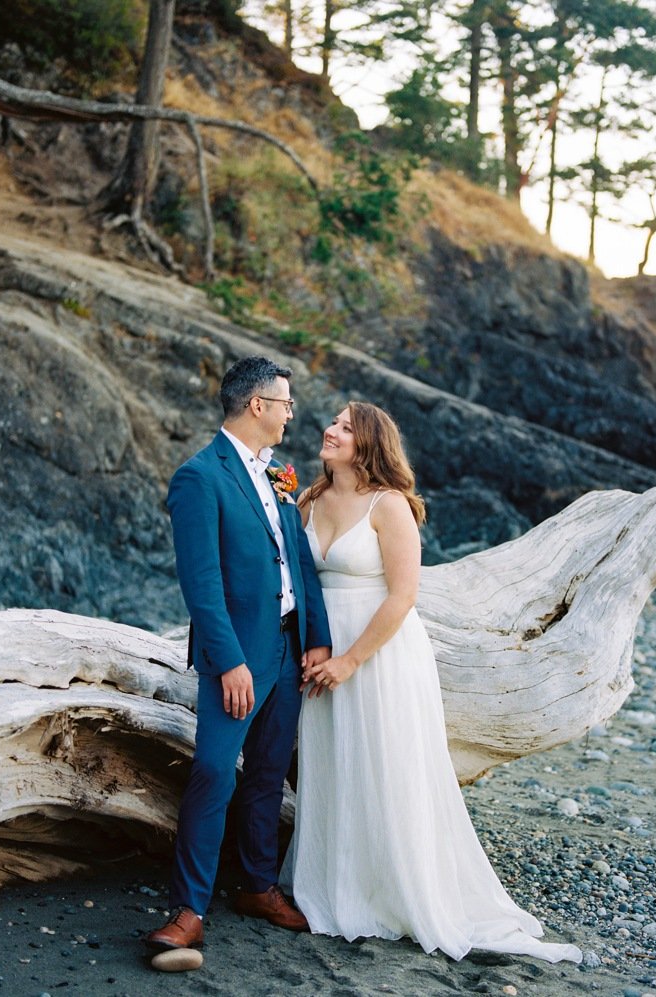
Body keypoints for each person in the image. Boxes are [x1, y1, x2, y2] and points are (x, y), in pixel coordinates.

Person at [284, 401, 582, 964]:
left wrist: (349, 661)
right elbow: (299, 578)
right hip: (321, 650)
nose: (331, 429)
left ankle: (399, 890)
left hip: (380, 655)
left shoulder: (389, 505)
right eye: (334, 421)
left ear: (369, 443)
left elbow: (403, 596)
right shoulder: (310, 499)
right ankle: (338, 885)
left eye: (347, 427)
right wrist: (317, 648)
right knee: (337, 765)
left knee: (387, 765)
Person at [144, 355, 332, 955]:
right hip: (237, 655)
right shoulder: (200, 477)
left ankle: (257, 885)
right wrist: (228, 662)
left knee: (270, 774)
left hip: (287, 646)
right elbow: (200, 583)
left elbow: (299, 563)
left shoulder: (277, 473)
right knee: (213, 772)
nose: (290, 414)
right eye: (285, 404)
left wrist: (317, 637)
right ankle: (190, 908)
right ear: (257, 406)